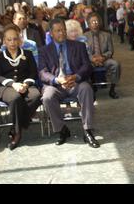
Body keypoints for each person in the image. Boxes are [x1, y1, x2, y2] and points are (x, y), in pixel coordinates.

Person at [38, 18, 100, 148]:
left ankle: (87, 130)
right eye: (58, 31)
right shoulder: (44, 50)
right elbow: (42, 72)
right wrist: (57, 80)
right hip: (56, 85)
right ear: (51, 33)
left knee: (86, 89)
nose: (62, 33)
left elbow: (87, 66)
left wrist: (76, 76)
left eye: (63, 30)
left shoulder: (78, 45)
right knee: (47, 97)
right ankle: (62, 129)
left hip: (75, 83)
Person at [0, 25, 41, 150]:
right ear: (4, 41)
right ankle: (17, 133)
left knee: (36, 95)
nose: (12, 42)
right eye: (9, 40)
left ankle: (17, 125)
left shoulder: (28, 53)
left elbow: (33, 73)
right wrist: (13, 84)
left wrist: (26, 84)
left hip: (25, 84)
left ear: (19, 40)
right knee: (15, 98)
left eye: (15, 39)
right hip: (6, 87)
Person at [83, 13, 121, 99]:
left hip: (105, 58)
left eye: (96, 21)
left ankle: (112, 89)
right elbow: (84, 52)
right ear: (88, 24)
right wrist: (92, 59)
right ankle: (91, 89)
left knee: (116, 64)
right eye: (92, 22)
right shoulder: (84, 36)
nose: (95, 23)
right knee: (84, 67)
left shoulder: (106, 35)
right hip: (91, 60)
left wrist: (103, 57)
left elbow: (110, 51)